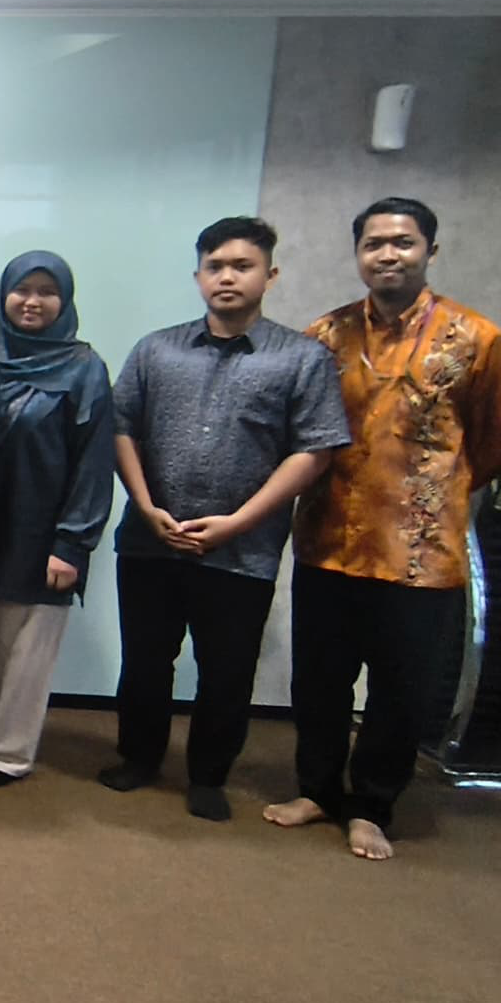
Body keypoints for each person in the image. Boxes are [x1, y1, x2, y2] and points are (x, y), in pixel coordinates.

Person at [271, 198, 501, 860]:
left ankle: (372, 806)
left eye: (403, 242)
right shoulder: (323, 336)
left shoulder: (480, 341)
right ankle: (317, 789)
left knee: (401, 691)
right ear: (359, 254)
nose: (388, 254)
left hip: (420, 554)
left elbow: (497, 444)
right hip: (327, 540)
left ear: (429, 252)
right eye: (374, 244)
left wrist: (430, 494)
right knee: (318, 681)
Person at [104, 216, 350, 821]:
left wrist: (237, 522)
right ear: (198, 277)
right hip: (151, 541)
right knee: (145, 661)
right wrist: (145, 505)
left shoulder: (302, 359)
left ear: (270, 275)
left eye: (243, 266)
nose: (228, 277)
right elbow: (121, 426)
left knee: (227, 671)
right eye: (215, 267)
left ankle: (208, 776)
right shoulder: (156, 349)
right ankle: (139, 758)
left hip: (243, 550)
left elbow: (314, 451)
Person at [0, 251, 114, 786]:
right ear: (3, 295)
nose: (32, 302)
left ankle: (5, 752)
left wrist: (73, 543)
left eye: (46, 292)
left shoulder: (84, 369)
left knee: (25, 651)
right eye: (22, 290)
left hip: (40, 534)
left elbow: (94, 463)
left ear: (64, 301)